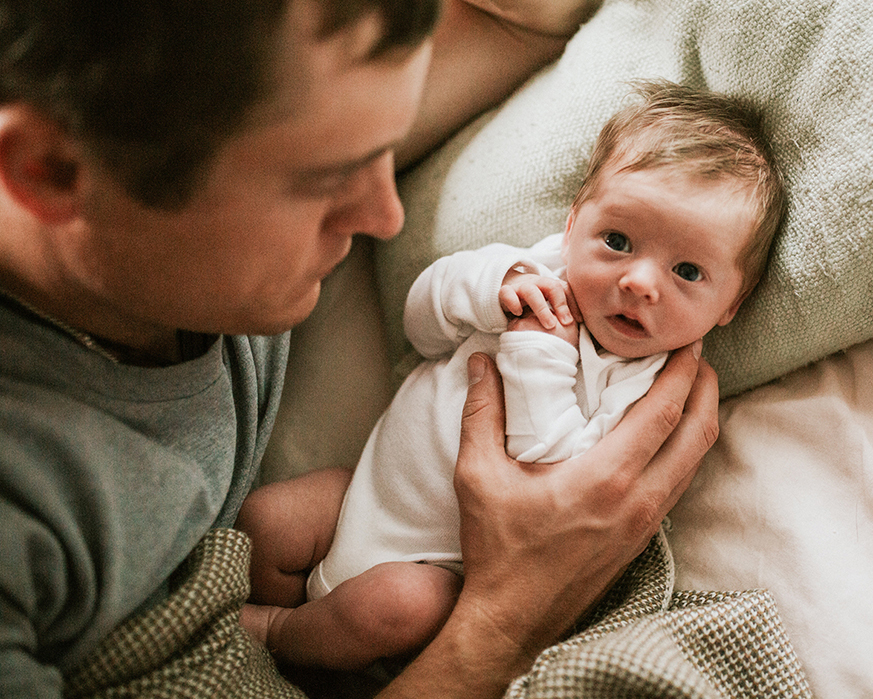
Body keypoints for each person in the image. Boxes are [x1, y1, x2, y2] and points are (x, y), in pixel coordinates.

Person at [0, 0, 722, 698]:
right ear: (54, 172)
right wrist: (509, 618)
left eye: (383, 147)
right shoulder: (30, 502)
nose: (383, 215)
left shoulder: (235, 116)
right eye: (328, 180)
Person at [237, 80, 785, 671]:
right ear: (575, 223)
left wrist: (538, 357)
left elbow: (556, 481)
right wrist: (489, 288)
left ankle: (279, 633)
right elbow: (421, 328)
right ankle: (275, 616)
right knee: (265, 522)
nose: (639, 282)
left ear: (732, 304)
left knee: (392, 608)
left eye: (687, 271)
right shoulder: (534, 272)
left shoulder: (647, 384)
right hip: (361, 498)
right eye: (618, 240)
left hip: (433, 569)